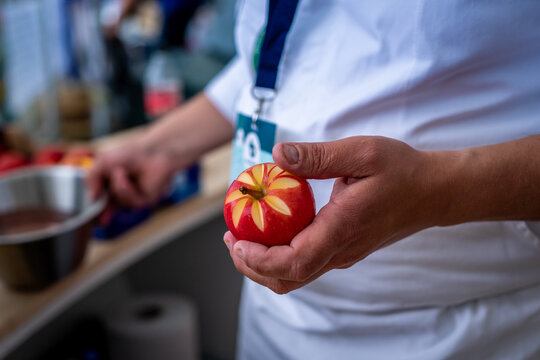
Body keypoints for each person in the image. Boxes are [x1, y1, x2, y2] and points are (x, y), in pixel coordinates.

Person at [88, 1, 540, 359]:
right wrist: (158, 147)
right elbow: (276, 57)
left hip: (462, 331)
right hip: (273, 324)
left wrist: (439, 192)